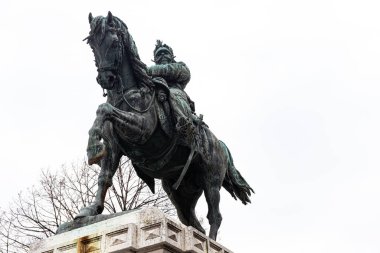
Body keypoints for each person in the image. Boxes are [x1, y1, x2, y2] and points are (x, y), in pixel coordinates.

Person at [148, 40, 201, 143]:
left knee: (172, 94)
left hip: (175, 91)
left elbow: (174, 71)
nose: (162, 55)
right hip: (154, 93)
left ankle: (185, 125)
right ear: (155, 59)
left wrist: (147, 70)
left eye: (165, 53)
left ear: (172, 57)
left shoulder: (180, 66)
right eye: (159, 54)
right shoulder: (149, 72)